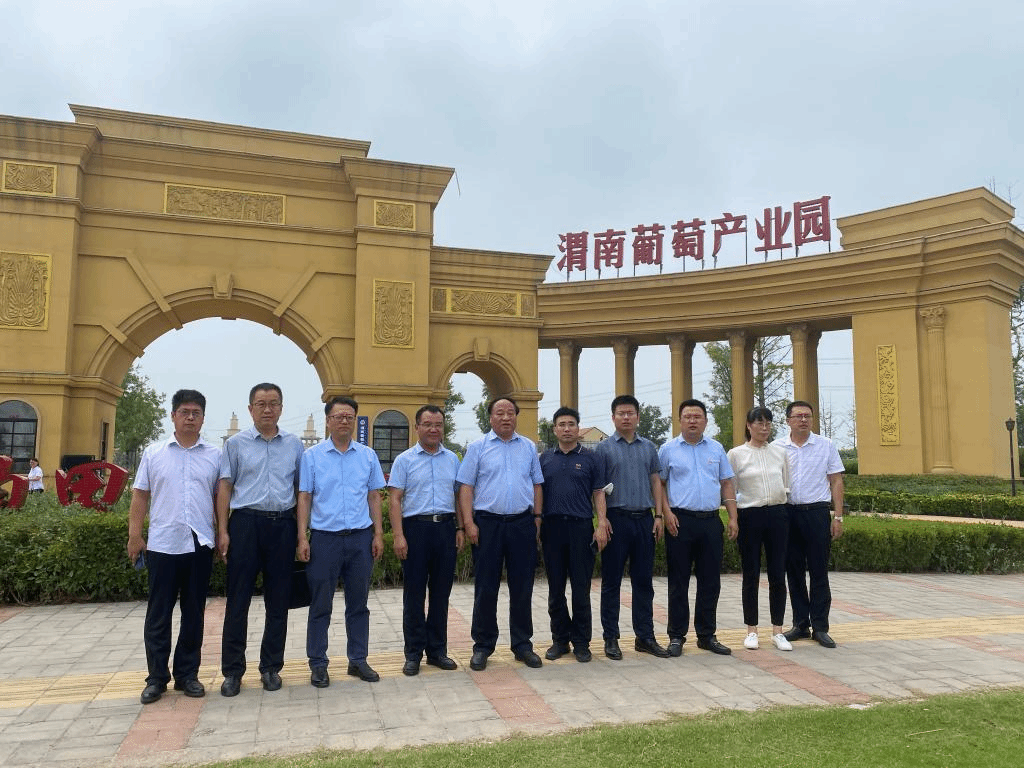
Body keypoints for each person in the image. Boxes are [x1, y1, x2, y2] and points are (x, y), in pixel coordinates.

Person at [127, 389, 220, 704]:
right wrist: (135, 535)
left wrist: (222, 532)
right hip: (163, 544)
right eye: (184, 412)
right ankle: (156, 678)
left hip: (199, 544)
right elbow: (140, 494)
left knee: (194, 613)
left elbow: (220, 499)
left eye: (196, 412)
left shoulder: (215, 455)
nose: (190, 417)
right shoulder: (154, 453)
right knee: (159, 614)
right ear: (173, 416)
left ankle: (187, 675)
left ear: (203, 418)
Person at [218, 383, 304, 696]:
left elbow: (301, 491)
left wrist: (301, 534)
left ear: (281, 407)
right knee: (237, 600)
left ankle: (271, 667)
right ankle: (232, 671)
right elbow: (225, 487)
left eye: (273, 403)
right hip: (245, 524)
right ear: (250, 408)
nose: (267, 409)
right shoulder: (235, 444)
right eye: (261, 403)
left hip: (282, 525)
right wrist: (222, 530)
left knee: (278, 601)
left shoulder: (294, 445)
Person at [297, 396, 386, 686]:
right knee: (320, 605)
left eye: (349, 416)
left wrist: (378, 534)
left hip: (360, 539)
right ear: (328, 420)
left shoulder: (367, 456)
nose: (344, 421)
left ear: (355, 420)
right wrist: (302, 536)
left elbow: (374, 496)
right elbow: (305, 497)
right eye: (338, 416)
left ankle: (358, 660)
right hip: (325, 540)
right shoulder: (312, 457)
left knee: (358, 604)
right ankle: (318, 663)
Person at [457, 396, 544, 671]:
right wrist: (469, 523)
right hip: (487, 524)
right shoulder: (478, 447)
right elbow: (466, 487)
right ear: (490, 417)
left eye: (510, 413)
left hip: (521, 523)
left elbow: (537, 485)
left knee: (522, 587)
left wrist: (537, 518)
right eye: (500, 413)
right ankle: (483, 646)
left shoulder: (528, 447)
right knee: (486, 587)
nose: (506, 417)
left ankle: (522, 645)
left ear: (516, 416)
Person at [659, 398, 738, 656]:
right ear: (680, 420)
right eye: (688, 417)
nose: (692, 421)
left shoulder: (716, 448)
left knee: (710, 581)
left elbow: (726, 483)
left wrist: (733, 518)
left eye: (697, 417)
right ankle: (676, 636)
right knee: (678, 581)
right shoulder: (668, 449)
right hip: (679, 522)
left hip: (710, 522)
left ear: (705, 420)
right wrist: (666, 514)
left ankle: (706, 635)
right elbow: (659, 484)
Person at [388, 404, 463, 676]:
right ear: (417, 427)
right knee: (414, 594)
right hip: (415, 530)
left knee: (441, 594)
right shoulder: (404, 460)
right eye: (428, 424)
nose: (433, 429)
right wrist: (399, 535)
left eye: (438, 425)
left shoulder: (452, 459)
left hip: (445, 529)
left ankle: (437, 651)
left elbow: (458, 497)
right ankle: (413, 654)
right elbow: (394, 499)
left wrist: (460, 528)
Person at [595, 394, 670, 660]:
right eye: (621, 413)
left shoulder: (648, 447)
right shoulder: (603, 449)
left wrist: (658, 516)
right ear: (613, 417)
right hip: (616, 520)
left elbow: (655, 482)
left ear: (638, 416)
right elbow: (598, 489)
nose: (626, 417)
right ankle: (610, 638)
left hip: (644, 520)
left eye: (630, 413)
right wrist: (602, 520)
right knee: (611, 582)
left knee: (643, 582)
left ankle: (645, 637)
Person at [539, 406, 609, 663]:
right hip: (552, 529)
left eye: (571, 424)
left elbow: (599, 492)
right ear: (555, 429)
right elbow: (537, 492)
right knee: (555, 589)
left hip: (581, 528)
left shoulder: (591, 458)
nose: (567, 429)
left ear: (578, 429)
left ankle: (581, 642)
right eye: (562, 424)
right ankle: (560, 641)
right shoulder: (545, 459)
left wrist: (601, 524)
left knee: (581, 589)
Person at [776, 400, 845, 648]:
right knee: (793, 571)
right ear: (788, 420)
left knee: (819, 571)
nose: (803, 420)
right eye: (798, 416)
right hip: (788, 514)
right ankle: (800, 624)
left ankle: (821, 627)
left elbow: (836, 481)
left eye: (807, 416)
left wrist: (838, 517)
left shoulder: (826, 445)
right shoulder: (777, 448)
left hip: (816, 513)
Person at [727, 406, 792, 652]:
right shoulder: (736, 454)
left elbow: (786, 484)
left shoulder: (779, 452)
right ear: (749, 425)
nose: (764, 428)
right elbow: (731, 489)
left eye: (768, 423)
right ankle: (751, 630)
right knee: (751, 573)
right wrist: (733, 518)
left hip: (777, 514)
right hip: (749, 515)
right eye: (759, 423)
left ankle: (778, 630)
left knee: (778, 573)